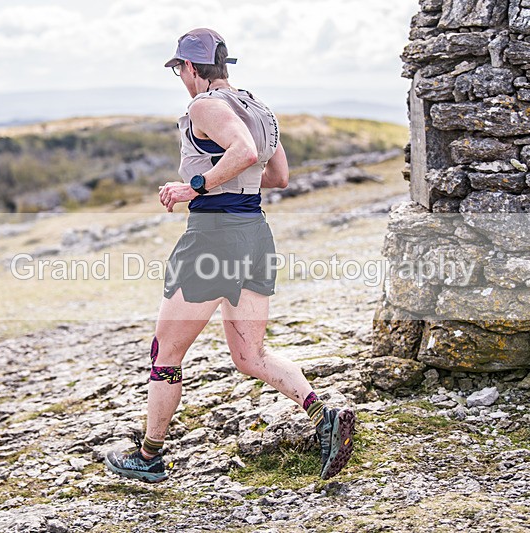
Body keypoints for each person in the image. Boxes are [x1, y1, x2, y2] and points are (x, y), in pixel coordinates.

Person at [105, 28, 355, 483]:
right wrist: (232, 181)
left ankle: (148, 456)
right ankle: (325, 417)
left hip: (212, 238)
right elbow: (277, 176)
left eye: (178, 69)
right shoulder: (259, 107)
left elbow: (241, 150)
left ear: (190, 68)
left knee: (165, 355)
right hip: (254, 234)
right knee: (250, 355)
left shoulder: (205, 105)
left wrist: (193, 185)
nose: (179, 77)